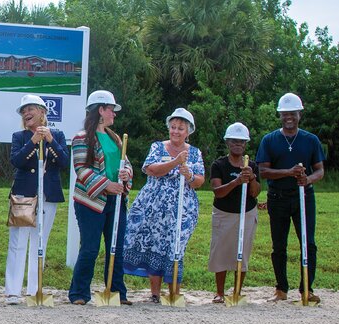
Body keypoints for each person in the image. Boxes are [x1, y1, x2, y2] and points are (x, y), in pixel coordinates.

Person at [123, 108, 205, 303]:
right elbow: (151, 169)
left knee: (175, 247)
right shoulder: (158, 147)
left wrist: (190, 175)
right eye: (173, 127)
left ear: (188, 131)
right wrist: (176, 162)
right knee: (154, 246)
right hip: (153, 207)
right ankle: (155, 294)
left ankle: (174, 294)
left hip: (182, 209)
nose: (176, 131)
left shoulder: (195, 153)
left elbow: (200, 181)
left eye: (181, 128)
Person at [256, 92, 325, 303]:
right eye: (285, 114)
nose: (289, 117)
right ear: (280, 115)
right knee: (279, 244)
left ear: (299, 114)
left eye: (292, 113)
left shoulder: (310, 140)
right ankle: (281, 289)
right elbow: (264, 172)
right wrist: (288, 172)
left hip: (304, 197)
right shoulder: (269, 140)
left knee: (308, 243)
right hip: (278, 197)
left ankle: (307, 288)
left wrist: (308, 180)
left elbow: (320, 170)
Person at [67, 90, 133, 306]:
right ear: (101, 110)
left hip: (116, 200)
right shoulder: (81, 137)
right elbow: (81, 169)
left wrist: (126, 175)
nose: (114, 114)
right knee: (90, 247)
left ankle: (117, 291)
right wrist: (106, 185)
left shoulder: (115, 138)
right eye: (111, 109)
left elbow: (125, 163)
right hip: (91, 201)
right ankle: (79, 293)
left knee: (117, 247)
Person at [4, 95, 69, 305]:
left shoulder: (57, 135)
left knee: (40, 241)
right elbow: (17, 161)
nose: (26, 113)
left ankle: (34, 289)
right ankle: (13, 291)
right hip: (24, 195)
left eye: (30, 108)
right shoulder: (19, 136)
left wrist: (50, 140)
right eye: (23, 110)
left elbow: (64, 162)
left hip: (48, 195)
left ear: (42, 111)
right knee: (18, 242)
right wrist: (33, 142)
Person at [208, 122, 260, 303]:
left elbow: (255, 192)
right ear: (228, 143)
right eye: (234, 141)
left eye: (241, 142)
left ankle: (237, 291)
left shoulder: (251, 166)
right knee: (221, 252)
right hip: (224, 213)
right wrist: (236, 182)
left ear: (246, 144)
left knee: (242, 253)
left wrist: (251, 177)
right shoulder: (219, 164)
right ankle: (220, 292)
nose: (238, 144)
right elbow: (218, 191)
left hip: (247, 213)